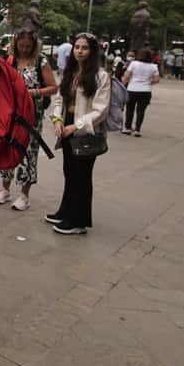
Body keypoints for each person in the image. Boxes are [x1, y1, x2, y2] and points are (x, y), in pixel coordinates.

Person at [46, 32, 111, 236]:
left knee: (81, 176)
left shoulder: (101, 76)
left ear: (92, 51)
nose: (80, 51)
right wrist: (57, 119)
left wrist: (76, 126)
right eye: (77, 47)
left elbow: (101, 110)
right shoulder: (69, 72)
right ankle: (65, 211)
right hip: (67, 126)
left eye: (85, 48)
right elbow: (59, 100)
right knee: (69, 172)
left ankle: (78, 221)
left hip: (85, 131)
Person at [0, 26, 58, 211]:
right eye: (21, 46)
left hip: (31, 116)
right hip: (10, 114)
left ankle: (24, 195)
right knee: (7, 146)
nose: (24, 49)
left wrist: (33, 92)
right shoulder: (10, 60)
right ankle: (5, 188)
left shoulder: (41, 61)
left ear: (34, 45)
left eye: (28, 46)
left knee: (29, 151)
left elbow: (53, 87)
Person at [121, 48, 159, 137]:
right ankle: (137, 130)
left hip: (132, 89)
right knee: (141, 111)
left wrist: (123, 85)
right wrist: (148, 83)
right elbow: (157, 79)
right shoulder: (154, 66)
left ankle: (127, 128)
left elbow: (127, 76)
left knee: (130, 109)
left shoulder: (134, 64)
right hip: (146, 91)